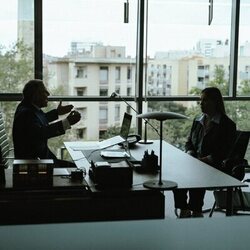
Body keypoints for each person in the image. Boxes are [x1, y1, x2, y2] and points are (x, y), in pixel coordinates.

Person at [173, 87, 236, 218]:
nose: (201, 103)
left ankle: (196, 210)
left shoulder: (227, 125)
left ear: (215, 102)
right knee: (178, 171)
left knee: (197, 171)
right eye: (200, 100)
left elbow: (225, 152)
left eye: (205, 100)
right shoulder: (198, 120)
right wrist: (190, 153)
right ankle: (184, 208)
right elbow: (189, 142)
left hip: (216, 165)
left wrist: (204, 160)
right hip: (197, 161)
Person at [12, 79, 81, 167]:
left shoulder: (27, 107)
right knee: (76, 169)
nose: (48, 94)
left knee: (74, 167)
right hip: (35, 165)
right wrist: (67, 122)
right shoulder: (27, 113)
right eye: (44, 91)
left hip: (39, 159)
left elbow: (39, 121)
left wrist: (57, 112)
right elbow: (41, 133)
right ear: (35, 96)